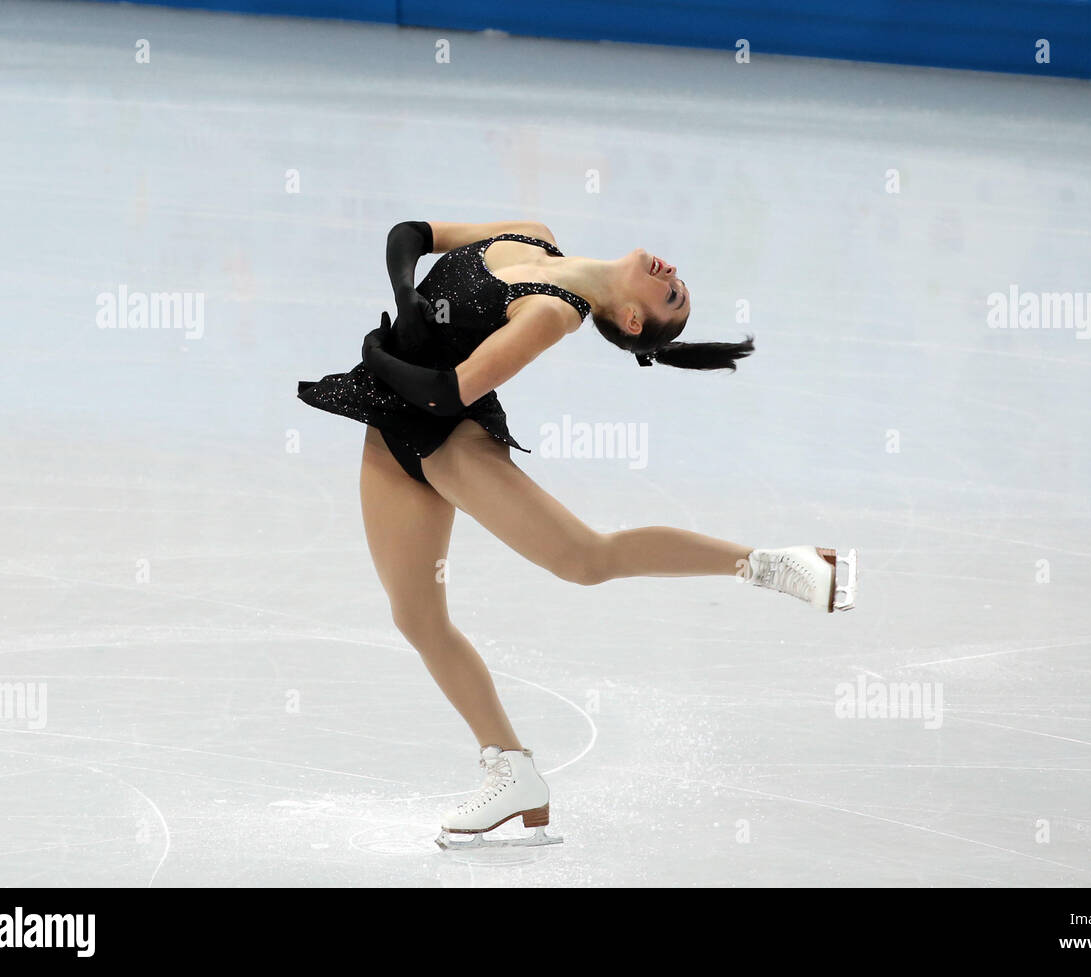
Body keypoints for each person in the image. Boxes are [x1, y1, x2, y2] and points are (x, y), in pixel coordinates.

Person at [298, 220, 857, 848]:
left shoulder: (550, 314)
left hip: (447, 442)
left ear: (631, 320)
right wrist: (405, 294)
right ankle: (512, 772)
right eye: (678, 282)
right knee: (418, 619)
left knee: (587, 558)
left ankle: (776, 565)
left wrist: (378, 355)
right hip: (387, 434)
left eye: (672, 296)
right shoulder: (531, 235)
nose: (672, 276)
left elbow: (447, 393)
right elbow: (413, 233)